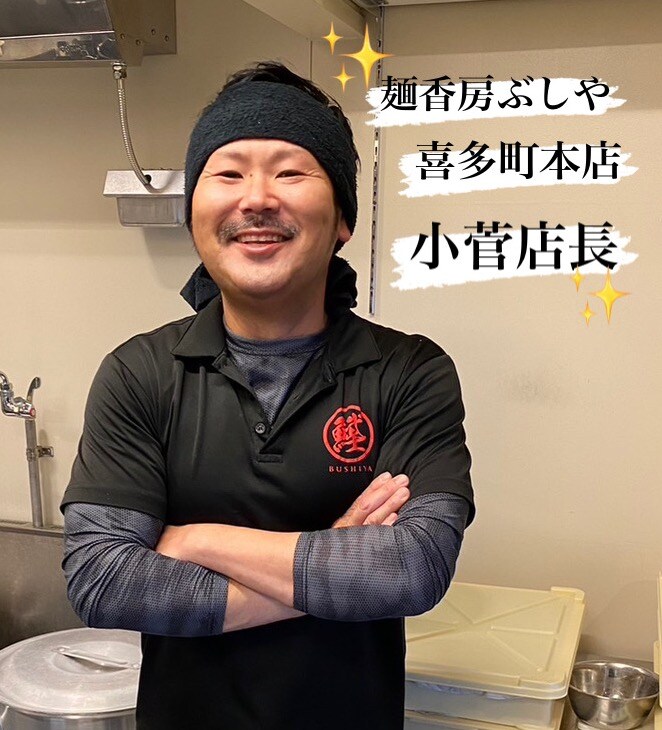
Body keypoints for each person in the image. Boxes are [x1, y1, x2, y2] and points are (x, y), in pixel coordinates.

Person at [61, 61, 474, 730]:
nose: (256, 198)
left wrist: (194, 539)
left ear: (342, 220)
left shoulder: (409, 372)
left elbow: (412, 568)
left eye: (290, 172)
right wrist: (334, 554)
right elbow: (103, 581)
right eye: (227, 174)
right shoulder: (140, 374)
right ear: (194, 215)